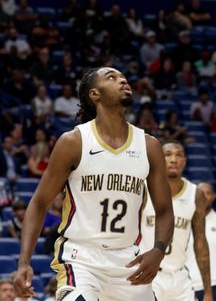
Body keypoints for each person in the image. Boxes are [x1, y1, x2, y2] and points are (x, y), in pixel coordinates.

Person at [13, 67, 175, 300]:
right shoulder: (74, 142)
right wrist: (23, 262)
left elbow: (164, 209)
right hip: (81, 258)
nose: (122, 80)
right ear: (94, 94)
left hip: (129, 260)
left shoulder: (148, 145)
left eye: (123, 77)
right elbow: (39, 203)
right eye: (112, 77)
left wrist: (158, 250)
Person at [140, 141, 213, 301]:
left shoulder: (196, 194)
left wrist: (208, 291)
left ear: (185, 162)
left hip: (180, 278)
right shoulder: (143, 189)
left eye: (179, 155)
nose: (174, 159)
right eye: (168, 155)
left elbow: (200, 243)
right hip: (148, 275)